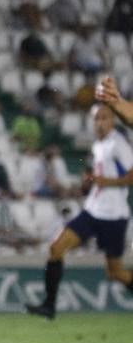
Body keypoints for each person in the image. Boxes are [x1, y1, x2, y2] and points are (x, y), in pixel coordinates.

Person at [26, 103, 133, 320]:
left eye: (104, 118)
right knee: (56, 248)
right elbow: (100, 178)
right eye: (96, 119)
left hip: (115, 215)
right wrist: (90, 183)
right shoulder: (98, 146)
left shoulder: (118, 144)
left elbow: (130, 176)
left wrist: (106, 181)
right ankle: (49, 305)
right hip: (92, 211)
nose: (100, 122)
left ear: (112, 120)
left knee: (115, 272)